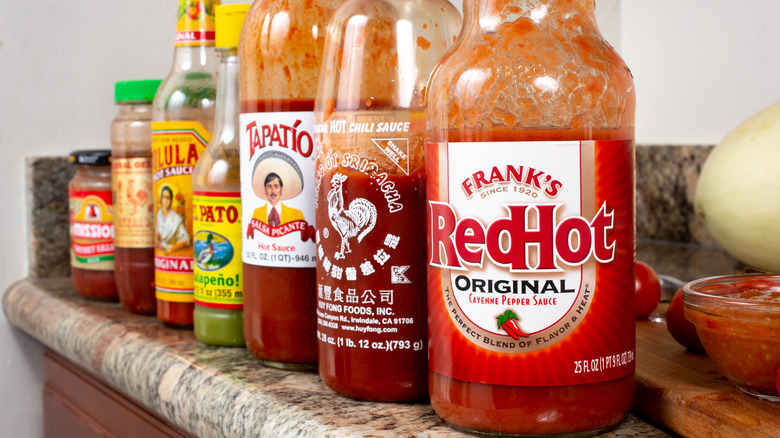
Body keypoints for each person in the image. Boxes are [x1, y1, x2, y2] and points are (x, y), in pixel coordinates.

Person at [156, 185, 190, 254]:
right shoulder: (159, 214)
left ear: (171, 200)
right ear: (161, 199)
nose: (165, 200)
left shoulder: (176, 218)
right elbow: (157, 232)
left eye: (168, 198)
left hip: (172, 251)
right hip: (160, 249)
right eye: (164, 197)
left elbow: (185, 239)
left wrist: (171, 249)